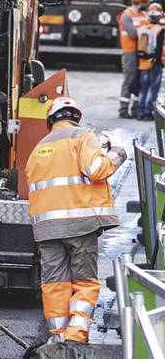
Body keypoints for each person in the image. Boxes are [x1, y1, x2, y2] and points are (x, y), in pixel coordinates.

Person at [24, 97, 124, 344]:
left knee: (55, 284)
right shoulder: (82, 136)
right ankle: (75, 338)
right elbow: (97, 170)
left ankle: (58, 340)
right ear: (76, 117)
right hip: (80, 224)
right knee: (85, 283)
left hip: (47, 229)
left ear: (50, 121)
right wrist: (116, 155)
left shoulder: (39, 148)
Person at [120, 0, 151, 116]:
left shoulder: (144, 14)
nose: (148, 4)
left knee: (141, 80)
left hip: (142, 52)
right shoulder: (126, 15)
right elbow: (133, 34)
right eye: (147, 2)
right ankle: (123, 109)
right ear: (141, 2)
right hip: (130, 52)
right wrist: (145, 31)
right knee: (129, 79)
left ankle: (136, 108)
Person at [136, 5, 164, 120]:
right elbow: (159, 49)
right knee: (153, 89)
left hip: (143, 62)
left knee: (143, 88)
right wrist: (158, 61)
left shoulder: (141, 28)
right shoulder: (159, 29)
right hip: (154, 63)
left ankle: (140, 113)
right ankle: (148, 112)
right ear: (159, 15)